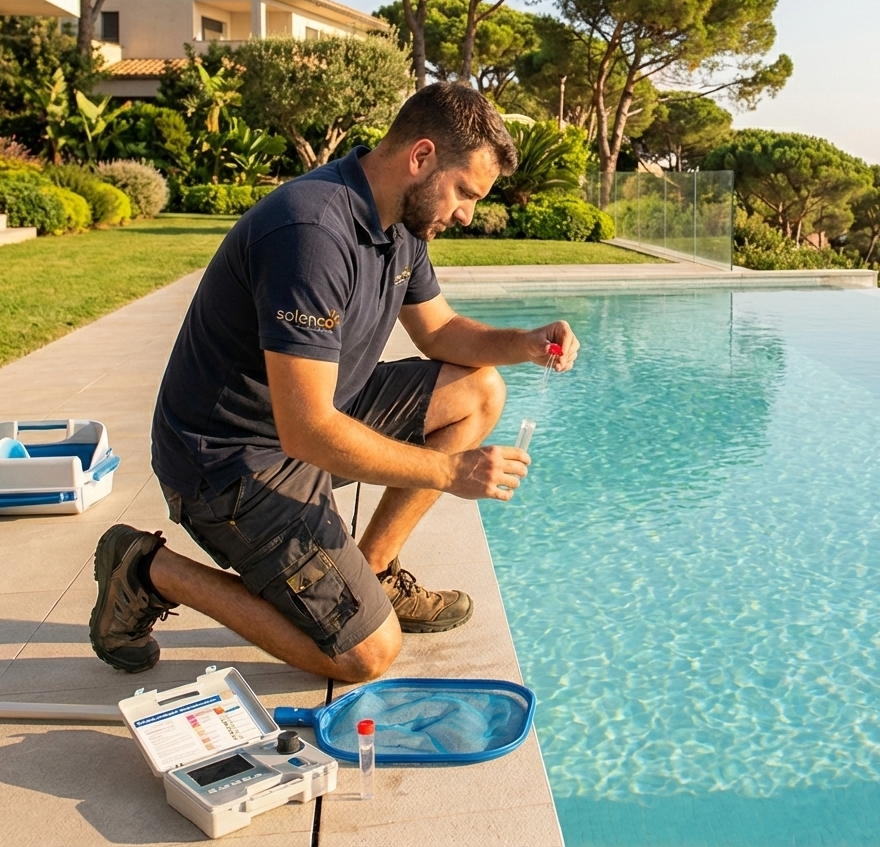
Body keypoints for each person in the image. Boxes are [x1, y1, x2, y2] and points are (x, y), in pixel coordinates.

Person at [88, 83, 580, 683]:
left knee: (479, 391)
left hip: (306, 425)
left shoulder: (400, 220)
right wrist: (452, 473)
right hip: (229, 466)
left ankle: (370, 573)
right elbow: (308, 431)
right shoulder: (312, 233)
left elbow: (442, 331)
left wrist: (524, 343)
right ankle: (148, 570)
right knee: (365, 656)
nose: (467, 213)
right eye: (465, 193)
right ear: (421, 157)